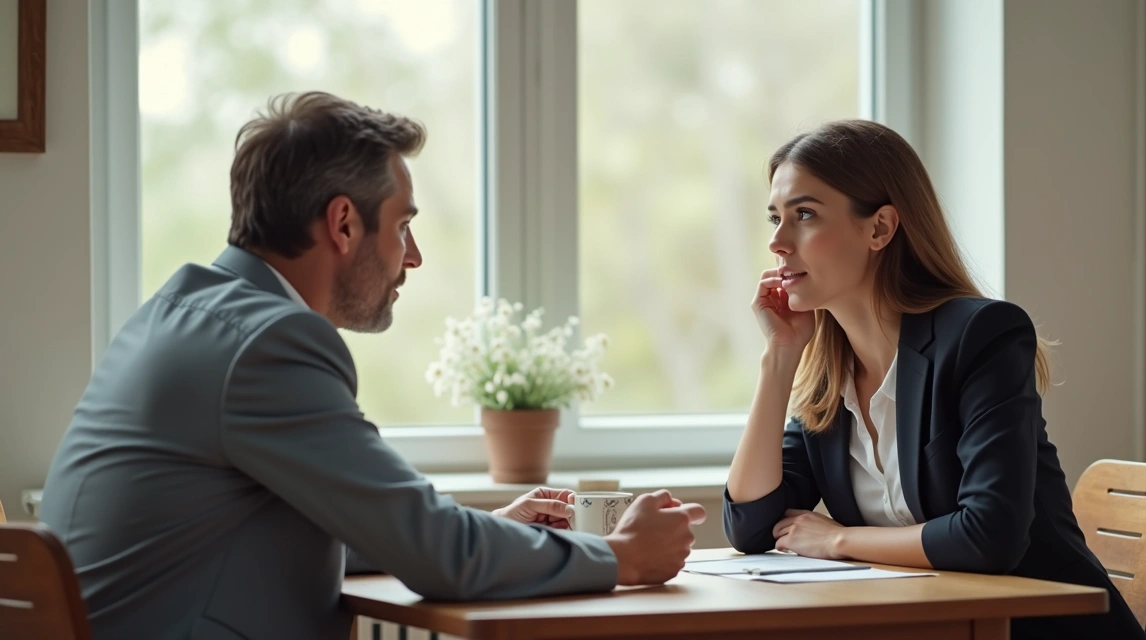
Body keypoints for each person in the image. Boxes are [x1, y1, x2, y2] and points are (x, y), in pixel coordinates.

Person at [39, 91, 705, 640]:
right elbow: (437, 557)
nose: (411, 257)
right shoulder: (269, 345)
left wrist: (492, 530)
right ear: (343, 225)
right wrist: (621, 557)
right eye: (403, 226)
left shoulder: (182, 313)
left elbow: (314, 531)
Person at [723, 120, 1146, 639]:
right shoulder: (828, 374)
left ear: (879, 228)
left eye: (804, 215)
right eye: (775, 218)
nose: (778, 242)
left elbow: (989, 535)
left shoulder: (980, 334)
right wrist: (780, 358)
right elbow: (751, 527)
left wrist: (840, 540)